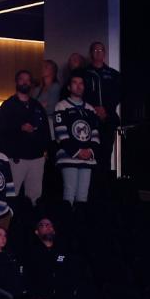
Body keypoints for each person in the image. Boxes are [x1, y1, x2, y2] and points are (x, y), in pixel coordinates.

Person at [53, 72, 102, 205]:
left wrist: (90, 151)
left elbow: (95, 134)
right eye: (75, 83)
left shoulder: (90, 109)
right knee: (69, 192)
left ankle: (80, 223)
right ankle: (68, 222)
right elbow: (61, 133)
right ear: (69, 87)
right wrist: (77, 151)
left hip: (88, 158)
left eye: (81, 84)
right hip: (69, 156)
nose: (78, 86)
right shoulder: (61, 106)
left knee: (83, 195)